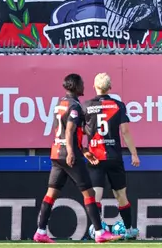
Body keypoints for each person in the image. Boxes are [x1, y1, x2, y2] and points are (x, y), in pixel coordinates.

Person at [33, 73, 120, 243]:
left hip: (57, 153)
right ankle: (100, 233)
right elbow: (70, 130)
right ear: (76, 86)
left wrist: (83, 150)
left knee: (51, 194)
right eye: (82, 84)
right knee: (89, 193)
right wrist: (73, 152)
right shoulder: (74, 106)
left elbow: (62, 129)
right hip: (68, 155)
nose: (84, 87)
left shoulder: (59, 104)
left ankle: (40, 231)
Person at [84, 73, 140, 240]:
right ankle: (129, 230)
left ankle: (97, 230)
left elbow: (78, 131)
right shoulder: (118, 105)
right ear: (110, 87)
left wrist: (83, 151)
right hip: (114, 156)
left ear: (94, 86)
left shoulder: (86, 106)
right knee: (121, 195)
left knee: (96, 196)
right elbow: (125, 131)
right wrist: (134, 154)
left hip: (94, 156)